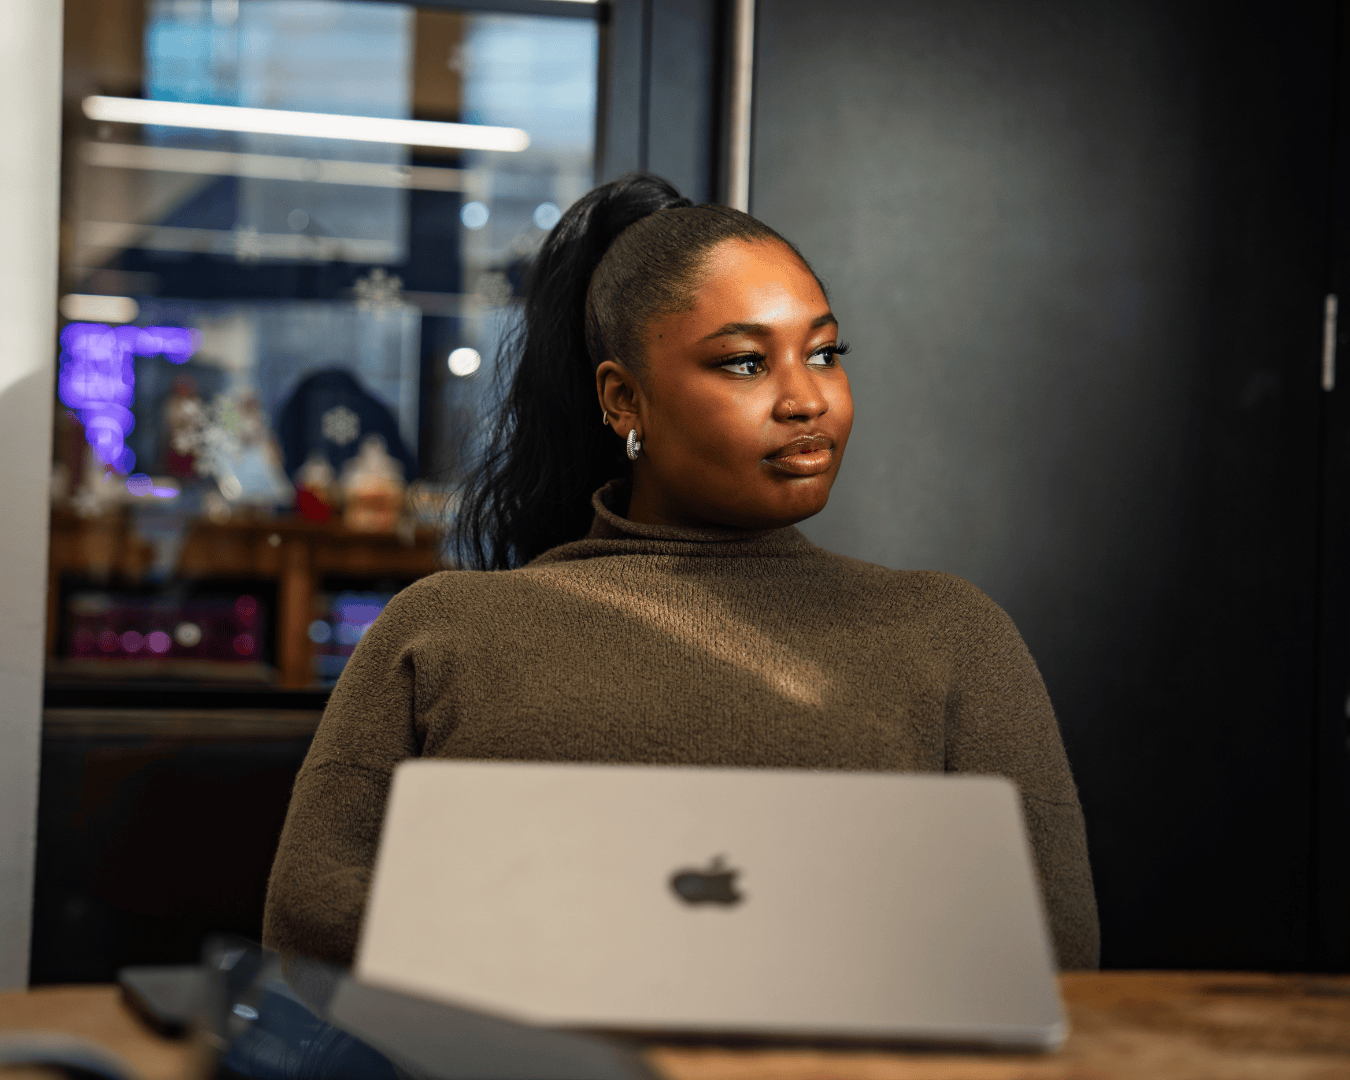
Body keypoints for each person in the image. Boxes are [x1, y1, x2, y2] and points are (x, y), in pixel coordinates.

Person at [262, 174, 1099, 970]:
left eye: (825, 353)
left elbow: (1049, 953)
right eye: (745, 363)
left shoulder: (950, 635)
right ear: (624, 400)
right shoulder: (446, 632)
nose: (806, 399)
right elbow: (312, 927)